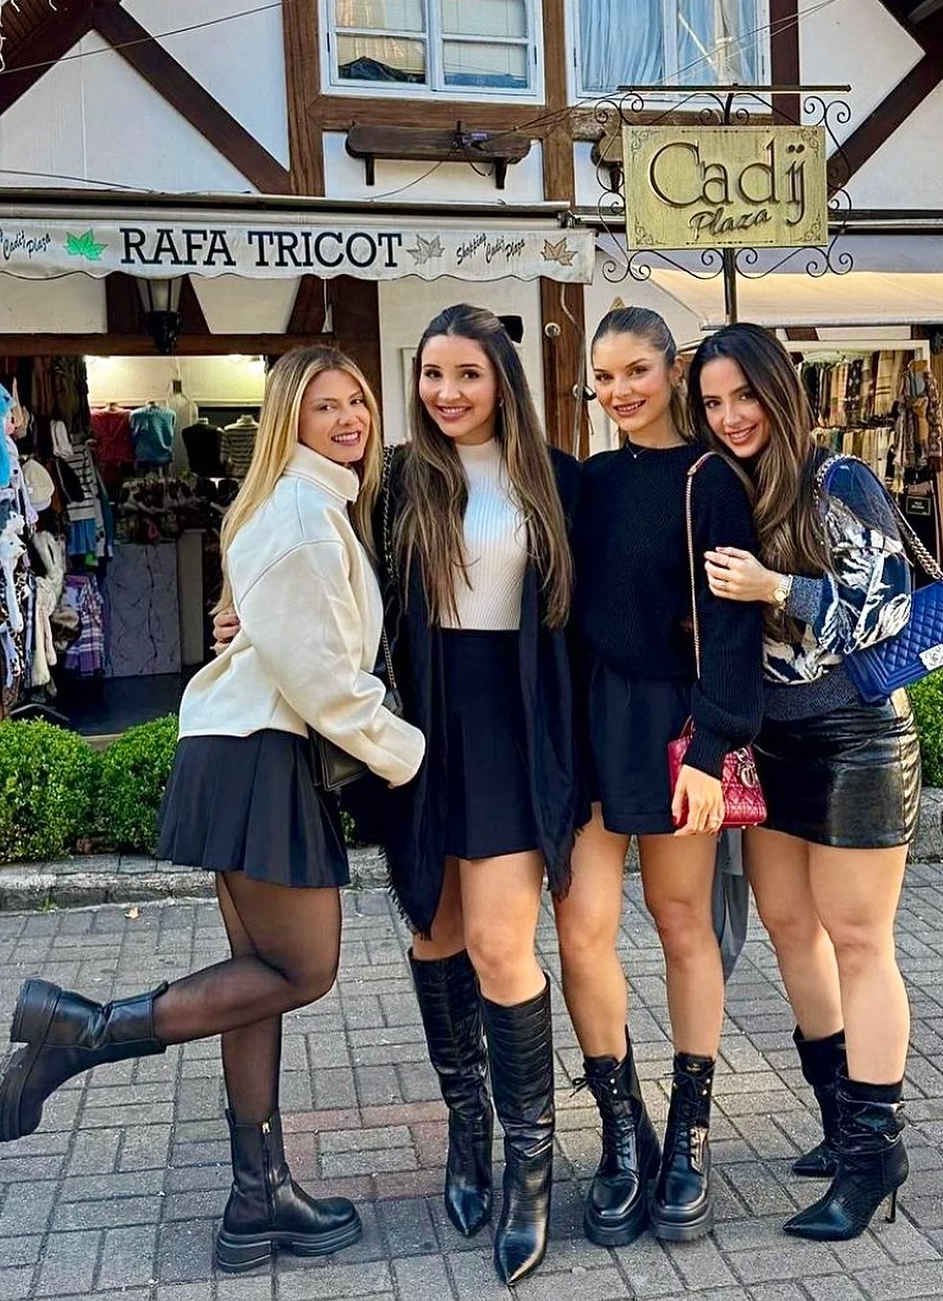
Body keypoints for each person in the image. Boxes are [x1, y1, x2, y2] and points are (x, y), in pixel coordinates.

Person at [0, 346, 426, 1277]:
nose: (349, 419)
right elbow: (321, 678)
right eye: (325, 406)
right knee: (301, 969)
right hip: (261, 755)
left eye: (357, 401)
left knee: (256, 977)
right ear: (290, 419)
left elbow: (273, 636)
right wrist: (408, 755)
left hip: (245, 749)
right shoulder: (303, 515)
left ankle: (254, 1198)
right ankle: (81, 1032)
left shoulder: (304, 505)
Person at [361, 304, 584, 1288]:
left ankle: (530, 1165)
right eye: (432, 374)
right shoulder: (397, 480)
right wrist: (244, 608)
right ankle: (468, 1128)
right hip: (420, 726)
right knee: (435, 930)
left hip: (510, 725)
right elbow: (327, 572)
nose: (446, 393)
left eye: (467, 374)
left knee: (500, 943)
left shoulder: (554, 479)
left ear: (502, 380)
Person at [687, 324, 920, 1242]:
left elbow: (886, 608)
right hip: (771, 742)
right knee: (789, 928)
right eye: (712, 402)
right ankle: (836, 1119)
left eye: (743, 395)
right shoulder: (723, 488)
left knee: (858, 939)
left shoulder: (837, 480)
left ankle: (873, 1155)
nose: (729, 415)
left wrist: (774, 588)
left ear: (779, 392)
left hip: (858, 735)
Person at [558, 305, 763, 1247]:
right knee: (581, 933)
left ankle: (689, 1131)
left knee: (682, 923)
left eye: (635, 371)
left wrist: (715, 753)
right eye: (603, 378)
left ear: (671, 370)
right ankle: (621, 1133)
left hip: (677, 728)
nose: (619, 392)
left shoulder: (709, 480)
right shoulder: (588, 480)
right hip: (592, 723)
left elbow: (732, 627)